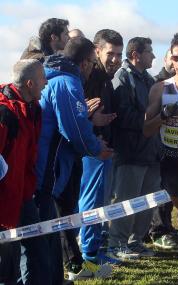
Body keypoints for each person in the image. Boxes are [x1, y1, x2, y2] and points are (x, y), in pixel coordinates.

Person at [35, 37, 113, 284]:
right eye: (91, 62)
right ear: (83, 62)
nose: (92, 67)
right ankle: (53, 273)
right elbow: (74, 130)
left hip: (53, 161)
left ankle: (63, 269)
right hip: (49, 164)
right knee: (46, 223)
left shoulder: (57, 77)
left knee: (55, 220)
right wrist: (95, 146)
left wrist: (89, 119)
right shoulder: (67, 82)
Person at [143, 31, 178, 285]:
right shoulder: (160, 88)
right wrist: (164, 116)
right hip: (170, 161)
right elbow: (146, 129)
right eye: (176, 58)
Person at [74, 29, 123, 275]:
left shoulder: (105, 79)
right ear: (96, 50)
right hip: (90, 150)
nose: (115, 59)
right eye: (110, 53)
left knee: (98, 203)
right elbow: (73, 115)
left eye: (118, 54)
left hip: (103, 148)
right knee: (90, 204)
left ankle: (92, 251)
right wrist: (92, 119)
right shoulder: (86, 76)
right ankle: (88, 255)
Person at [107, 37, 160, 260]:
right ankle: (116, 244)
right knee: (126, 201)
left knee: (147, 202)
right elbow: (122, 114)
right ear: (136, 55)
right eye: (149, 51)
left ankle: (135, 241)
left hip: (151, 151)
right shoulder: (123, 78)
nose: (154, 56)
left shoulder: (148, 79)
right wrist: (150, 119)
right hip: (130, 152)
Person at [0, 59, 47, 285]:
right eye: (42, 79)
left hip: (24, 195)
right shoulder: (4, 114)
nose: (46, 83)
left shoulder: (34, 108)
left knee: (39, 254)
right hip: (4, 203)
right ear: (30, 83)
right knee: (6, 268)